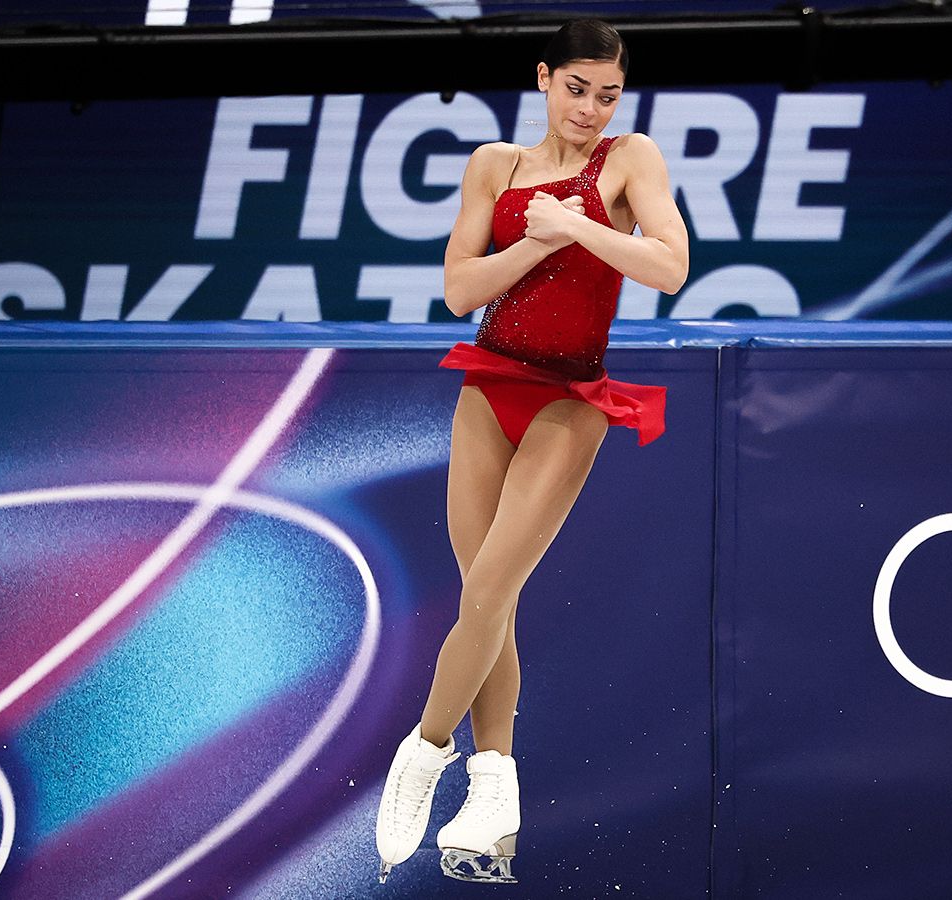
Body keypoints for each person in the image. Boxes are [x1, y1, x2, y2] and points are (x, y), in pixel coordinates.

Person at [374, 18, 688, 885]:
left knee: (487, 592)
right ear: (545, 77)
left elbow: (669, 267)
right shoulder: (494, 165)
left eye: (608, 94)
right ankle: (496, 787)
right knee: (488, 600)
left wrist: (580, 229)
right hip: (487, 389)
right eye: (577, 88)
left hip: (569, 401)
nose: (590, 108)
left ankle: (425, 750)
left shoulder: (629, 159)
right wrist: (537, 239)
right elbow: (458, 289)